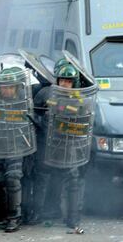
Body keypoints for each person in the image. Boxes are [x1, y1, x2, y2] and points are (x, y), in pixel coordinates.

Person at [31, 63, 88, 229]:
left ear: (74, 83)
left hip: (68, 144)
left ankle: (73, 218)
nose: (64, 84)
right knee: (43, 177)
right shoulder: (46, 93)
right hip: (47, 143)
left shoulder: (79, 99)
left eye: (68, 81)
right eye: (62, 80)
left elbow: (85, 121)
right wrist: (40, 120)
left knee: (72, 179)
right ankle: (40, 213)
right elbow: (35, 112)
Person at [0, 67, 31, 232]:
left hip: (15, 147)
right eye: (5, 87)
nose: (8, 90)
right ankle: (2, 215)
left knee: (12, 179)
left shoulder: (25, 104)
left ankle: (14, 217)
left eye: (11, 87)